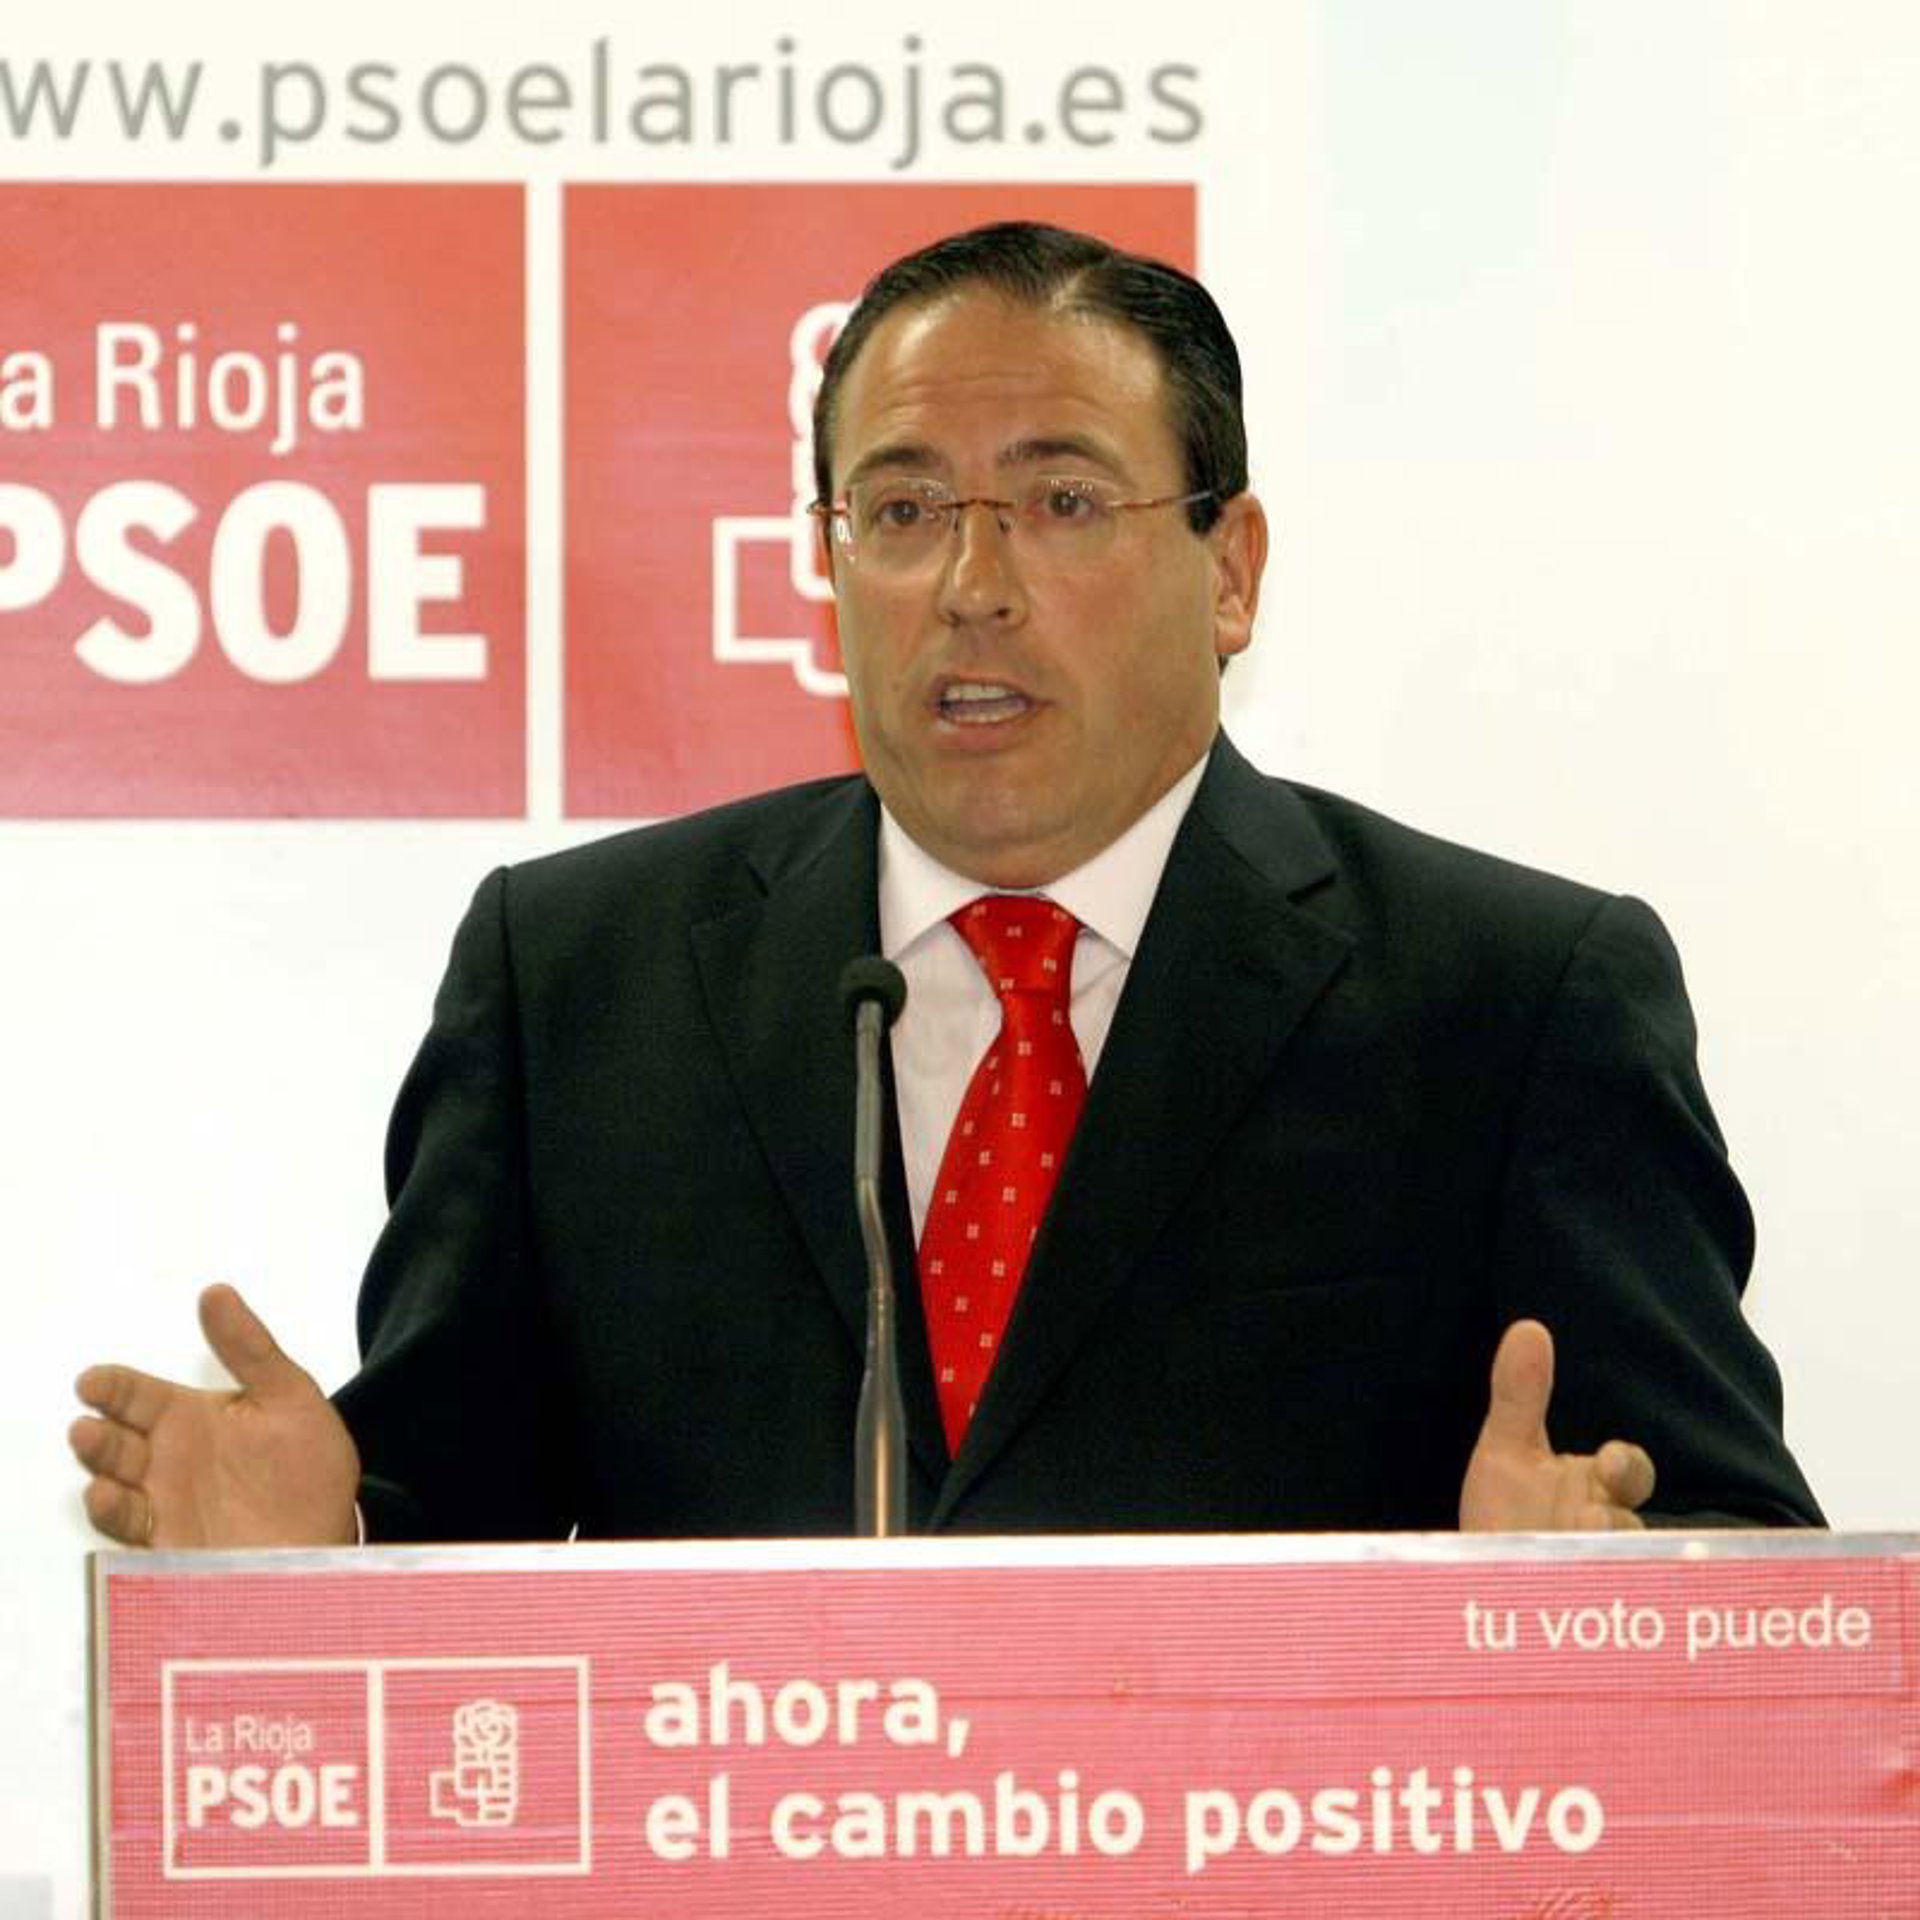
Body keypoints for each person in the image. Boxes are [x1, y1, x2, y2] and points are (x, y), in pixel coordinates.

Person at [69, 222, 1822, 1547]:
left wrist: (1604, 1602)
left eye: (1061, 502)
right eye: (900, 514)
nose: (973, 585)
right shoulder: (578, 980)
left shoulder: (1512, 999)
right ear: (830, 565)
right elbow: (463, 1561)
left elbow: (1745, 1582)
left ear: (1230, 569)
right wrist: (321, 1554)